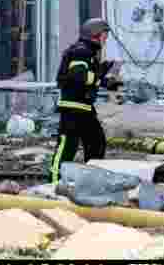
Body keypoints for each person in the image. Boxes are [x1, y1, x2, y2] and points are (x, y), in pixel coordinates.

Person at [49, 17, 123, 184]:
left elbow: (88, 77)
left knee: (96, 144)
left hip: (85, 108)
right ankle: (53, 184)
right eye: (104, 35)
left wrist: (104, 78)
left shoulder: (89, 53)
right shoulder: (81, 51)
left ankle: (91, 182)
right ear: (95, 35)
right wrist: (101, 78)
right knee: (67, 148)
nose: (106, 39)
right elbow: (78, 76)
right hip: (73, 108)